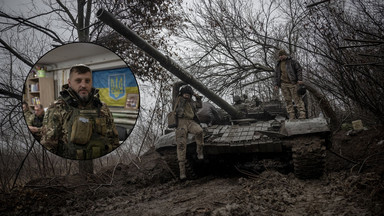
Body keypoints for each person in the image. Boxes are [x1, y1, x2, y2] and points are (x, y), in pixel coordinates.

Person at [41, 64, 119, 160]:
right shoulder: (57, 107)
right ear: (69, 83)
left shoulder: (103, 107)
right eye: (78, 81)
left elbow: (114, 139)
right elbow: (48, 145)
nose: (83, 85)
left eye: (87, 81)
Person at [174, 85, 204, 180]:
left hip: (191, 121)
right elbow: (176, 91)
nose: (186, 95)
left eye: (188, 94)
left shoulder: (191, 102)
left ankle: (199, 151)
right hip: (181, 123)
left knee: (199, 131)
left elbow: (199, 105)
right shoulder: (178, 100)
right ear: (182, 94)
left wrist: (197, 97)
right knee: (181, 145)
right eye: (185, 94)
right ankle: (182, 172)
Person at [274, 49, 306, 120]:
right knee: (287, 100)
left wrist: (300, 79)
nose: (281, 57)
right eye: (279, 56)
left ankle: (302, 114)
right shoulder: (278, 64)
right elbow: (276, 75)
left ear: (285, 55)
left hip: (293, 83)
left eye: (282, 55)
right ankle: (291, 115)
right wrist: (276, 84)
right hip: (283, 84)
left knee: (297, 99)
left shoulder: (292, 61)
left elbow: (299, 70)